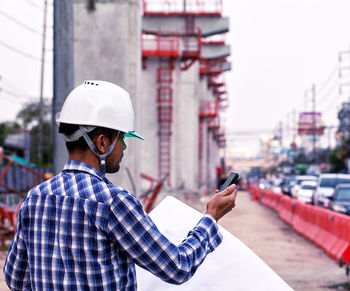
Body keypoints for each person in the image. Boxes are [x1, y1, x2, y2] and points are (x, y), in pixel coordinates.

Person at [4, 80, 237, 290]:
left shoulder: (36, 197)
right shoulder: (113, 202)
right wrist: (211, 217)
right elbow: (178, 267)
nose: (123, 147)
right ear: (102, 142)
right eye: (122, 138)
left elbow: (15, 279)